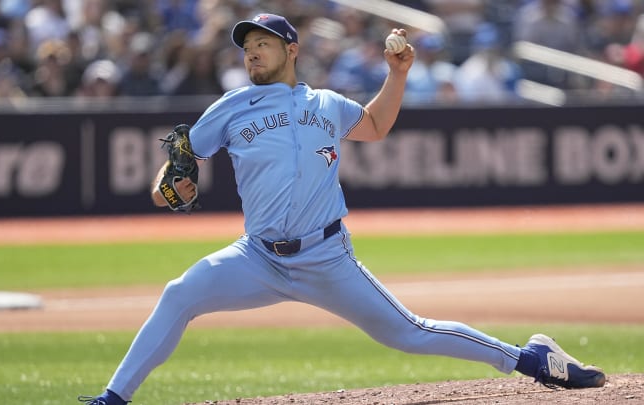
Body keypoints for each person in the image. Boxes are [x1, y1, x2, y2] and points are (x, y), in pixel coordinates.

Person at [78, 13, 606, 405]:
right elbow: (176, 166)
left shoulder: (324, 104)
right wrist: (170, 187)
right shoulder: (231, 107)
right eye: (247, 48)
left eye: (264, 44)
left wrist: (396, 75)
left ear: (292, 50)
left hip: (325, 257)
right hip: (257, 257)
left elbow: (375, 127)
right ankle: (113, 398)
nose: (252, 54)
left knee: (408, 332)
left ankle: (533, 359)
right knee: (179, 294)